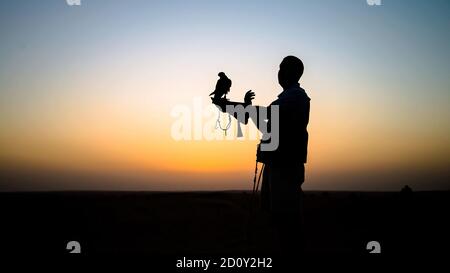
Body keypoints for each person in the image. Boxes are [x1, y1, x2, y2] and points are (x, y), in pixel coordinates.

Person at [211, 55, 310, 254]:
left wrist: (231, 107)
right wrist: (235, 107)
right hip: (278, 166)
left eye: (283, 68)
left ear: (293, 72)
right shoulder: (286, 98)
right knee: (277, 219)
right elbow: (262, 119)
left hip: (285, 168)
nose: (279, 72)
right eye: (279, 68)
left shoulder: (296, 97)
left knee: (286, 221)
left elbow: (264, 116)